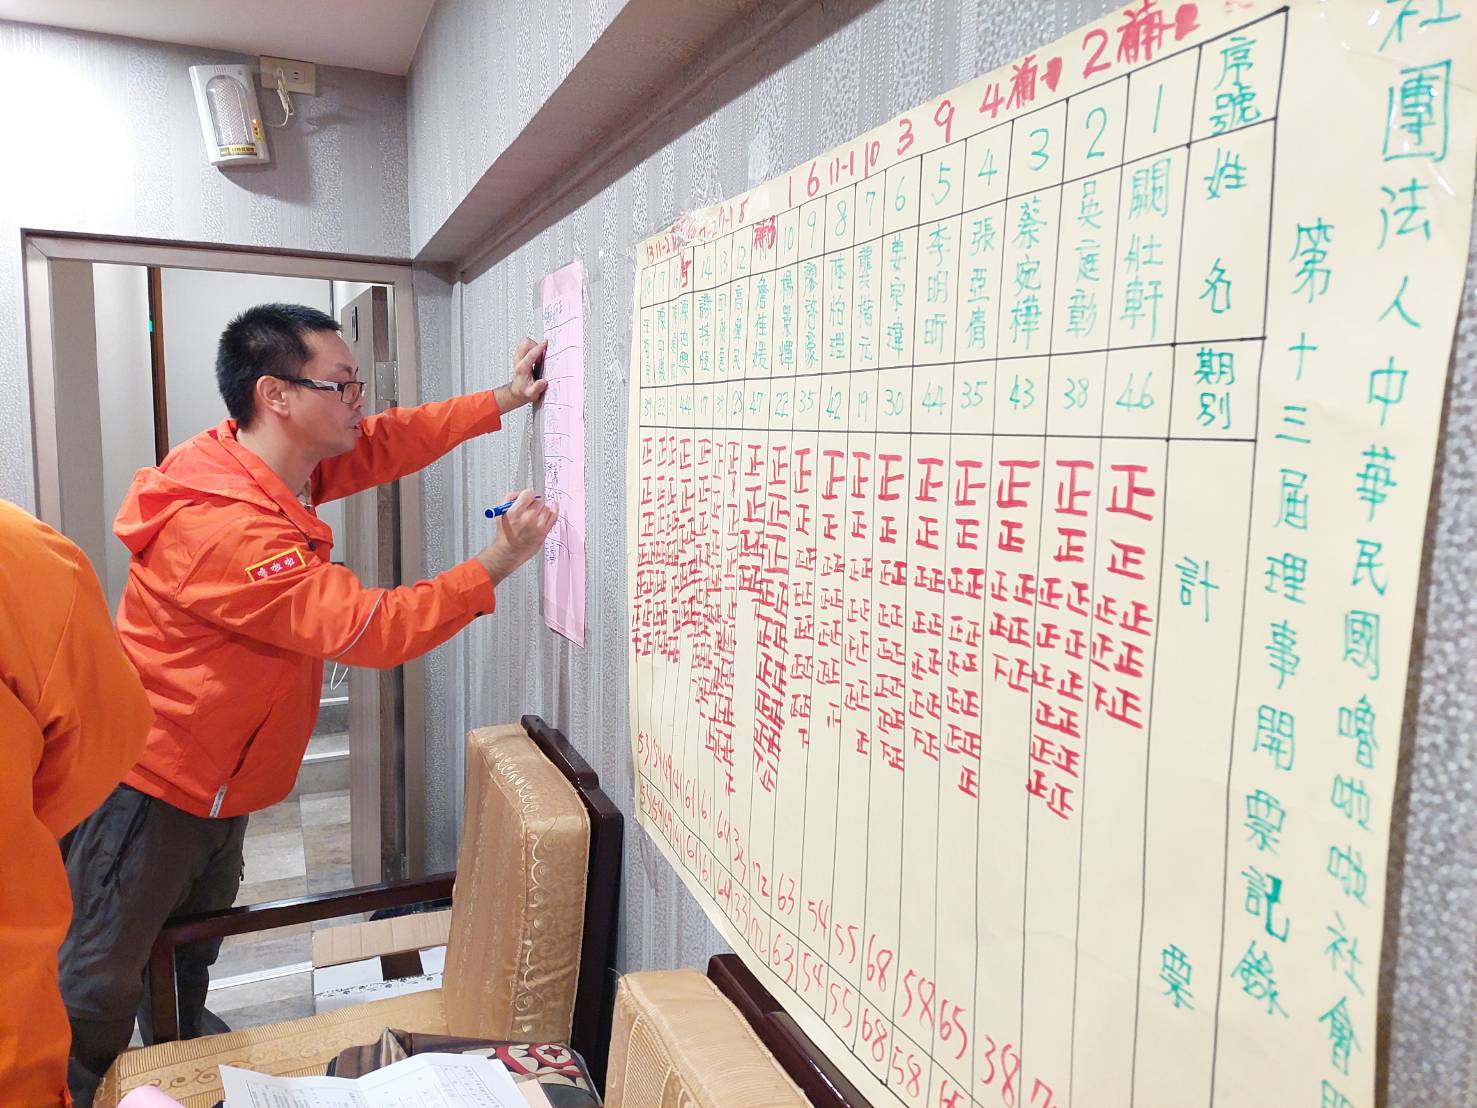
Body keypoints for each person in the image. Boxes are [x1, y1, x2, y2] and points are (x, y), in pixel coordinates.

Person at [61, 303, 558, 1104]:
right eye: (342, 385)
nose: (359, 401)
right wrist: (496, 562)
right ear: (277, 395)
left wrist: (502, 398)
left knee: (185, 953)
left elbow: (386, 441)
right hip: (150, 790)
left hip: (216, 784)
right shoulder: (226, 528)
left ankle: (178, 1069)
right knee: (97, 985)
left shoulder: (260, 464)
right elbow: (370, 628)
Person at [0, 500, 153, 1107]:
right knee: (104, 971)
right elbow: (100, 746)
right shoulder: (18, 561)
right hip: (167, 786)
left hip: (216, 783)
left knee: (177, 941)